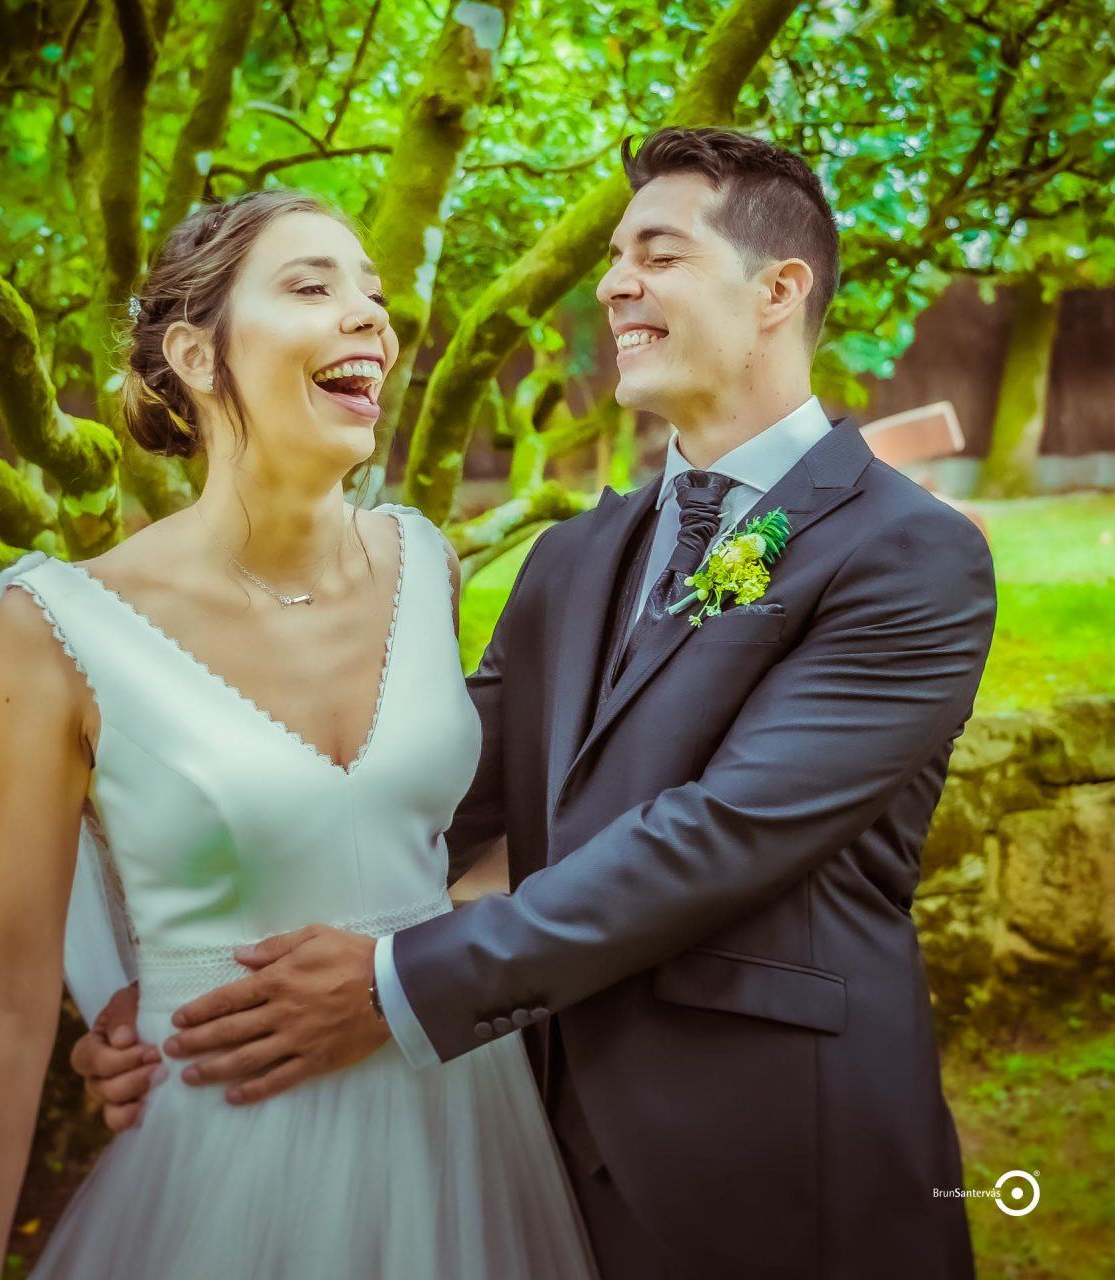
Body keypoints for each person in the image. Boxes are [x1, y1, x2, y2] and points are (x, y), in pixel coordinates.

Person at [78, 128, 997, 1279]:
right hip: (539, 1158)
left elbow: (721, 833)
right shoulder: (570, 558)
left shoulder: (907, 553)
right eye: (612, 258)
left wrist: (395, 984)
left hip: (779, 1158)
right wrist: (188, 991)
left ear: (776, 290)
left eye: (657, 255)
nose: (613, 284)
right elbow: (416, 801)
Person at [0, 189, 598, 1280]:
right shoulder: (56, 626)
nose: (369, 316)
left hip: (466, 1136)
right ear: (196, 354)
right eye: (311, 286)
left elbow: (460, 844)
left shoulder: (423, 562)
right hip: (224, 1159)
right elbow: (1, 988)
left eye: (372, 294)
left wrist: (415, 961)